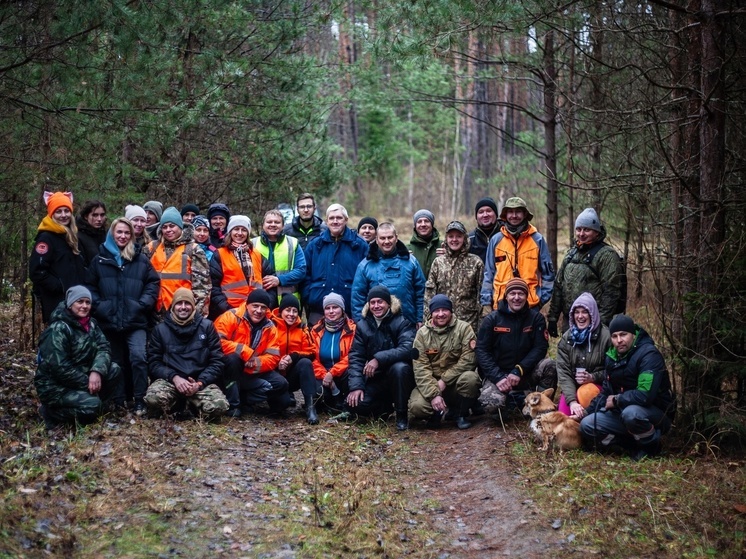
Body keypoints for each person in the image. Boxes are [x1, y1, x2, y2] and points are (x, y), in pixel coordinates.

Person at [86, 217, 160, 416]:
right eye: (119, 232)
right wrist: (101, 306)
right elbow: (90, 287)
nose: (123, 236)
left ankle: (139, 399)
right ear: (112, 233)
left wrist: (141, 305)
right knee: (115, 360)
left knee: (138, 357)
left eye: (127, 233)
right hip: (108, 320)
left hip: (135, 320)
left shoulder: (140, 258)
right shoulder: (100, 259)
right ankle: (118, 401)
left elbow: (153, 284)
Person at [580, 315, 676, 460]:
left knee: (631, 414)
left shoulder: (649, 355)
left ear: (633, 334)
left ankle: (651, 446)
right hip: (622, 410)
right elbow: (606, 392)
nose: (619, 340)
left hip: (656, 412)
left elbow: (645, 396)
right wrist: (585, 413)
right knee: (587, 425)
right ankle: (630, 444)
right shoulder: (611, 357)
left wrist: (618, 400)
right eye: (614, 336)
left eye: (623, 334)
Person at [34, 286, 124, 429]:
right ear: (70, 304)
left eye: (87, 302)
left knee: (114, 369)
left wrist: (97, 372)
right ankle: (51, 413)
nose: (84, 306)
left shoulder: (92, 324)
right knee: (92, 406)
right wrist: (88, 383)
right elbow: (60, 368)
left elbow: (104, 348)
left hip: (84, 376)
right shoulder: (58, 329)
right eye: (80, 302)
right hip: (56, 386)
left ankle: (94, 406)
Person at [144, 288, 229, 420]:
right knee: (153, 399)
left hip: (199, 383)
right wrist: (174, 378)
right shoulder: (160, 330)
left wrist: (200, 383)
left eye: (187, 303)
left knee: (219, 406)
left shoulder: (207, 327)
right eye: (179, 303)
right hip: (171, 382)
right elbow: (154, 363)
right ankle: (179, 405)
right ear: (173, 306)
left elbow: (217, 361)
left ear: (193, 306)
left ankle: (192, 406)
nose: (183, 307)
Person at [476, 277, 553, 411]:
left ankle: (539, 407)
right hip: (499, 376)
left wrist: (519, 370)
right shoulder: (492, 320)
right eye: (512, 294)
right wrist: (498, 377)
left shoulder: (536, 318)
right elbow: (481, 351)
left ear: (526, 296)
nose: (516, 298)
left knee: (550, 365)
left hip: (525, 373)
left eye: (521, 294)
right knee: (491, 405)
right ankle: (516, 399)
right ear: (506, 296)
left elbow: (540, 348)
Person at [346, 286, 416, 431]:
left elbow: (407, 348)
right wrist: (356, 386)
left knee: (400, 368)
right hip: (375, 378)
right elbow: (356, 357)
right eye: (372, 302)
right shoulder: (362, 325)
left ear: (388, 304)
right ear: (368, 305)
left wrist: (378, 359)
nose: (376, 306)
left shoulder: (402, 322)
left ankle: (401, 414)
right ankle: (383, 408)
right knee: (355, 404)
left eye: (380, 302)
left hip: (399, 377)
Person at [214, 288, 291, 417]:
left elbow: (273, 357)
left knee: (282, 388)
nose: (259, 311)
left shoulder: (270, 327)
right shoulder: (231, 316)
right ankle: (233, 405)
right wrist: (244, 351)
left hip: (252, 371)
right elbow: (216, 343)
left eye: (263, 308)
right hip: (228, 370)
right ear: (247, 304)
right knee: (233, 359)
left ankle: (244, 399)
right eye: (255, 306)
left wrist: (256, 363)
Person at [547, 208, 625, 335]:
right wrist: (553, 317)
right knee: (569, 353)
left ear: (596, 232)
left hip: (594, 322)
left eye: (586, 230)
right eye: (579, 229)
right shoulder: (572, 253)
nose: (581, 234)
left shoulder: (606, 255)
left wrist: (601, 324)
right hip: (570, 321)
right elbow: (559, 286)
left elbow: (611, 292)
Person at [408, 294, 481, 430]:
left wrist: (445, 379)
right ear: (431, 313)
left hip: (455, 383)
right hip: (432, 383)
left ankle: (460, 413)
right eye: (436, 311)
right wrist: (434, 394)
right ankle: (435, 414)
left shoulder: (464, 329)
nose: (441, 314)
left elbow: (469, 360)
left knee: (471, 379)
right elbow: (420, 368)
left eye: (444, 310)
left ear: (451, 311)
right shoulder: (422, 335)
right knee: (417, 406)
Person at [480, 196, 554, 312]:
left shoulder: (537, 240)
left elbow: (548, 275)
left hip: (530, 306)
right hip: (500, 306)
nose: (514, 215)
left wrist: (540, 300)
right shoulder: (496, 240)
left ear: (525, 214)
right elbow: (488, 274)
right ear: (505, 215)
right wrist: (486, 303)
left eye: (518, 211)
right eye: (510, 212)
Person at [302, 203, 368, 325]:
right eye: (331, 218)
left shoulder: (360, 245)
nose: (335, 221)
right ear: (326, 221)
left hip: (350, 309)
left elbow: (368, 277)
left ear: (346, 220)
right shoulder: (315, 245)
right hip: (318, 309)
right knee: (317, 343)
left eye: (339, 218)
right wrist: (310, 296)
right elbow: (305, 273)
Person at [351, 222, 426, 328]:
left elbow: (421, 292)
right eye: (382, 238)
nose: (386, 241)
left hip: (409, 323)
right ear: (376, 240)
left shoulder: (411, 262)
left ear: (396, 238)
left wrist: (420, 318)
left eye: (390, 237)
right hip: (376, 328)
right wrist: (361, 324)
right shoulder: (365, 265)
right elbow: (357, 297)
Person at [143, 206, 211, 319]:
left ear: (180, 226)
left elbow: (202, 287)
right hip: (153, 312)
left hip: (182, 311)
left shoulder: (193, 249)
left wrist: (195, 315)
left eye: (172, 226)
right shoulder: (151, 248)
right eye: (164, 227)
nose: (168, 230)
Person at [30, 191, 87, 323]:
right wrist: (60, 286)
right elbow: (36, 272)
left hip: (76, 301)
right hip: (57, 303)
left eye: (66, 211)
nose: (63, 215)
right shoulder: (46, 238)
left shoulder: (71, 236)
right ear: (52, 214)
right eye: (58, 211)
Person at [555, 293, 610, 419]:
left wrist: (592, 377)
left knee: (585, 395)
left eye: (585, 312)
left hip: (598, 387)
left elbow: (613, 370)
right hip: (572, 388)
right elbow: (564, 373)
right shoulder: (566, 339)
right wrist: (572, 401)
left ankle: (592, 424)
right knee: (564, 419)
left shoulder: (606, 337)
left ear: (592, 314)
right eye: (576, 312)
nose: (580, 316)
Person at [425, 220, 484, 335]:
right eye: (451, 236)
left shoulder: (476, 262)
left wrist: (481, 325)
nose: (454, 240)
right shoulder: (438, 262)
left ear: (465, 238)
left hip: (468, 323)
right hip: (442, 323)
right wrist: (428, 321)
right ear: (446, 239)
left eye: (458, 236)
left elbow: (481, 295)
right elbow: (429, 295)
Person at [210, 215, 274, 319]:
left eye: (244, 230)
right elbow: (213, 287)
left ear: (248, 234)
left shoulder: (257, 255)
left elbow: (270, 284)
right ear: (230, 231)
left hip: (257, 313)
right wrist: (226, 308)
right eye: (236, 229)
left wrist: (266, 305)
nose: (240, 233)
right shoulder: (219, 254)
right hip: (230, 313)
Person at [271, 294, 319, 424]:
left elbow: (312, 352)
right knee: (281, 406)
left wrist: (294, 356)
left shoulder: (302, 328)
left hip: (292, 374)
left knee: (305, 363)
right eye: (288, 310)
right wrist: (278, 362)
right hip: (273, 374)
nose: (291, 314)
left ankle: (310, 407)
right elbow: (262, 350)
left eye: (295, 311)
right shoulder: (271, 326)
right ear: (281, 311)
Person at [309, 293, 356, 410]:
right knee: (318, 396)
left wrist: (332, 373)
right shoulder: (315, 330)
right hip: (323, 375)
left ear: (342, 309)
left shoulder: (353, 330)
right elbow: (311, 357)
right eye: (327, 308)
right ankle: (332, 397)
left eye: (335, 307)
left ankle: (346, 400)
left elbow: (353, 355)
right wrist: (326, 375)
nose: (331, 311)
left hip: (343, 374)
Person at [252, 209, 307, 305]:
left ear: (283, 226)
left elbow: (301, 270)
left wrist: (280, 280)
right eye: (269, 222)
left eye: (277, 222)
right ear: (263, 225)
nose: (273, 224)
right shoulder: (252, 243)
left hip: (287, 302)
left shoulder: (292, 243)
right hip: (259, 301)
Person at [407, 209, 442, 278]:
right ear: (415, 225)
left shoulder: (444, 246)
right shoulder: (407, 249)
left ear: (432, 224)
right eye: (419, 221)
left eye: (426, 221)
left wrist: (449, 256)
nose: (423, 224)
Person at [468, 197, 502, 263]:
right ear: (476, 217)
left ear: (496, 214)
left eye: (489, 211)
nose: (485, 215)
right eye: (481, 212)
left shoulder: (506, 235)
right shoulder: (470, 240)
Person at [76, 200, 108, 267]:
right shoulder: (79, 237)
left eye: (102, 215)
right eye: (95, 215)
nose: (99, 219)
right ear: (86, 216)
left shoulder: (106, 235)